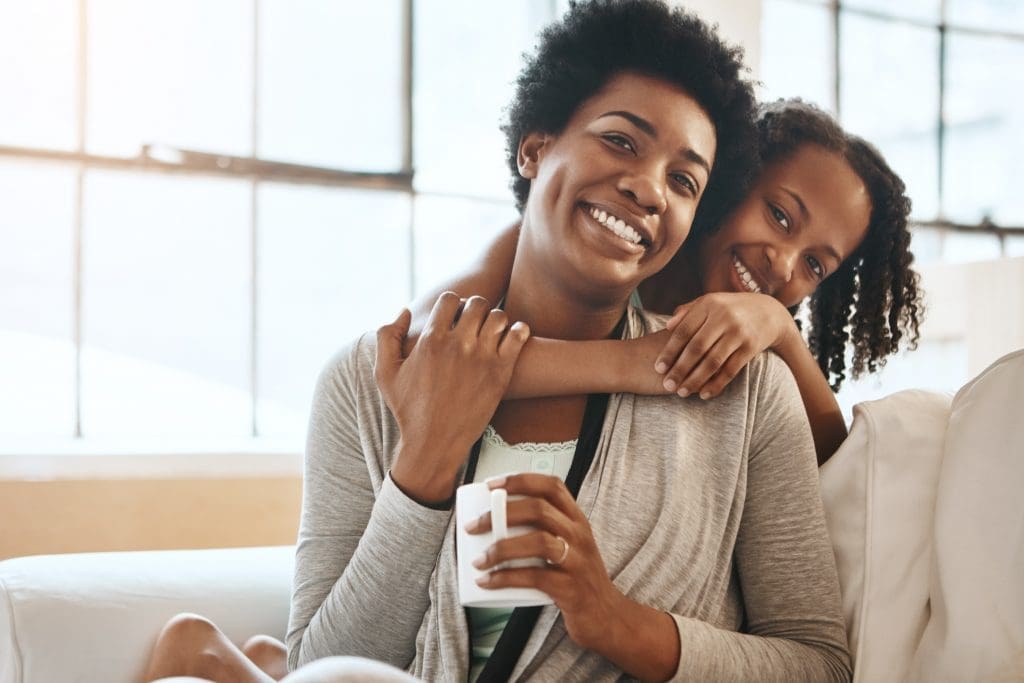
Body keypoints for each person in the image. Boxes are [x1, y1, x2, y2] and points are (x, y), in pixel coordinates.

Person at [144, 1, 850, 680]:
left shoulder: (747, 394)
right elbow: (326, 665)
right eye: (620, 140)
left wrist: (617, 620)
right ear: (536, 148)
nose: (648, 189)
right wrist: (422, 468)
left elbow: (820, 665)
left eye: (684, 180)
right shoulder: (365, 381)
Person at [416, 98, 922, 465]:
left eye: (815, 266)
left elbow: (833, 452)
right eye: (779, 216)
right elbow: (425, 346)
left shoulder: (752, 354)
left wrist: (782, 329)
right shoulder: (558, 247)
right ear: (727, 183)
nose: (785, 264)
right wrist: (637, 362)